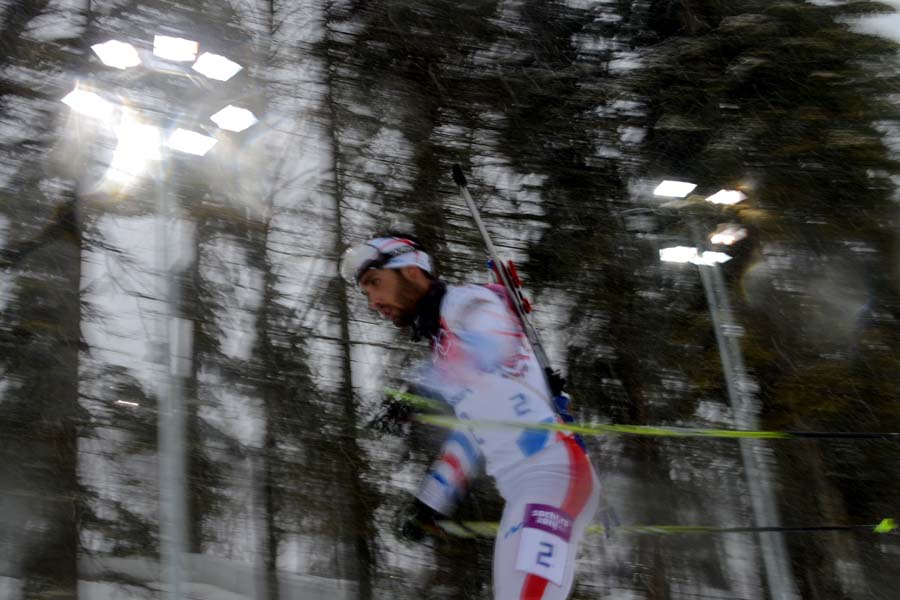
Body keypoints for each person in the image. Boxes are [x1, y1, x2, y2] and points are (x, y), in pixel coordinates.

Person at [341, 234, 600, 600]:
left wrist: (419, 391)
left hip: (555, 477)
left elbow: (492, 344)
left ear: (412, 271)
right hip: (526, 492)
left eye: (375, 283)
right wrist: (429, 504)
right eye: (366, 292)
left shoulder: (467, 304)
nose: (373, 301)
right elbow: (471, 435)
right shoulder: (444, 343)